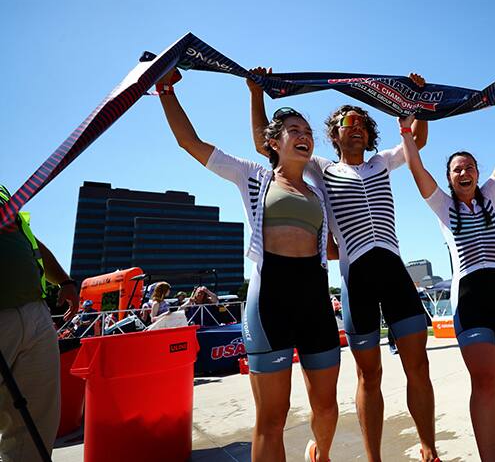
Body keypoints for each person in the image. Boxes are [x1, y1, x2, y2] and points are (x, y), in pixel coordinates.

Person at [249, 69, 439, 461]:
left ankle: (429, 449)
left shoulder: (383, 162)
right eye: (343, 124)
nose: (353, 129)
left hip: (395, 273)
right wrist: (257, 94)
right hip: (357, 280)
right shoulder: (320, 169)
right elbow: (265, 145)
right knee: (369, 376)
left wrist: (413, 102)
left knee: (418, 366)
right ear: (333, 136)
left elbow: (416, 138)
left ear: (369, 134)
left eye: (360, 125)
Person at [158, 69, 340, 462]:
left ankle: (319, 455)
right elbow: (190, 143)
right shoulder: (253, 176)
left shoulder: (319, 188)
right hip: (270, 299)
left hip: (315, 300)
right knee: (271, 421)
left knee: (326, 408)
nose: (304, 135)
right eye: (294, 129)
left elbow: (329, 247)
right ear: (274, 142)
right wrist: (165, 89)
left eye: (307, 129)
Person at [403, 98, 495, 462]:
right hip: (472, 297)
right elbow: (417, 170)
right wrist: (405, 131)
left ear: (477, 173)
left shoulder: (491, 196)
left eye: (470, 167)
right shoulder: (443, 207)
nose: (464, 172)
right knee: (485, 381)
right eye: (457, 169)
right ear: (449, 178)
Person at [0, 183, 79, 461]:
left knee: (36, 422)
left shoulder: (4, 193)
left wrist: (64, 281)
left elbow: (29, 239)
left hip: (35, 311)